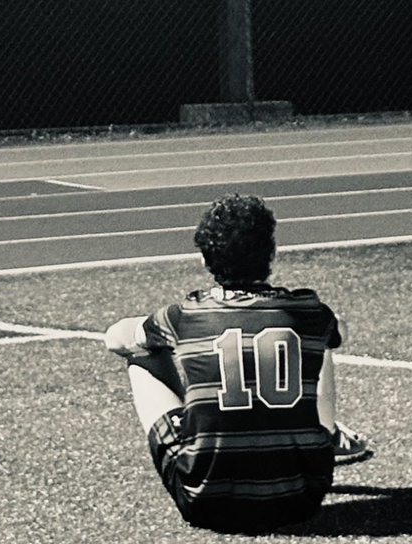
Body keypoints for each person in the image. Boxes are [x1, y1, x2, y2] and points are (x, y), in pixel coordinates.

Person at [105, 192, 371, 531]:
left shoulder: (184, 315)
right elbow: (340, 331)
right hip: (302, 498)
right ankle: (328, 435)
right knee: (322, 340)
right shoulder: (310, 312)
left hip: (207, 503)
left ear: (205, 260)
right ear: (272, 254)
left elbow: (115, 338)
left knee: (141, 352)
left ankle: (211, 442)